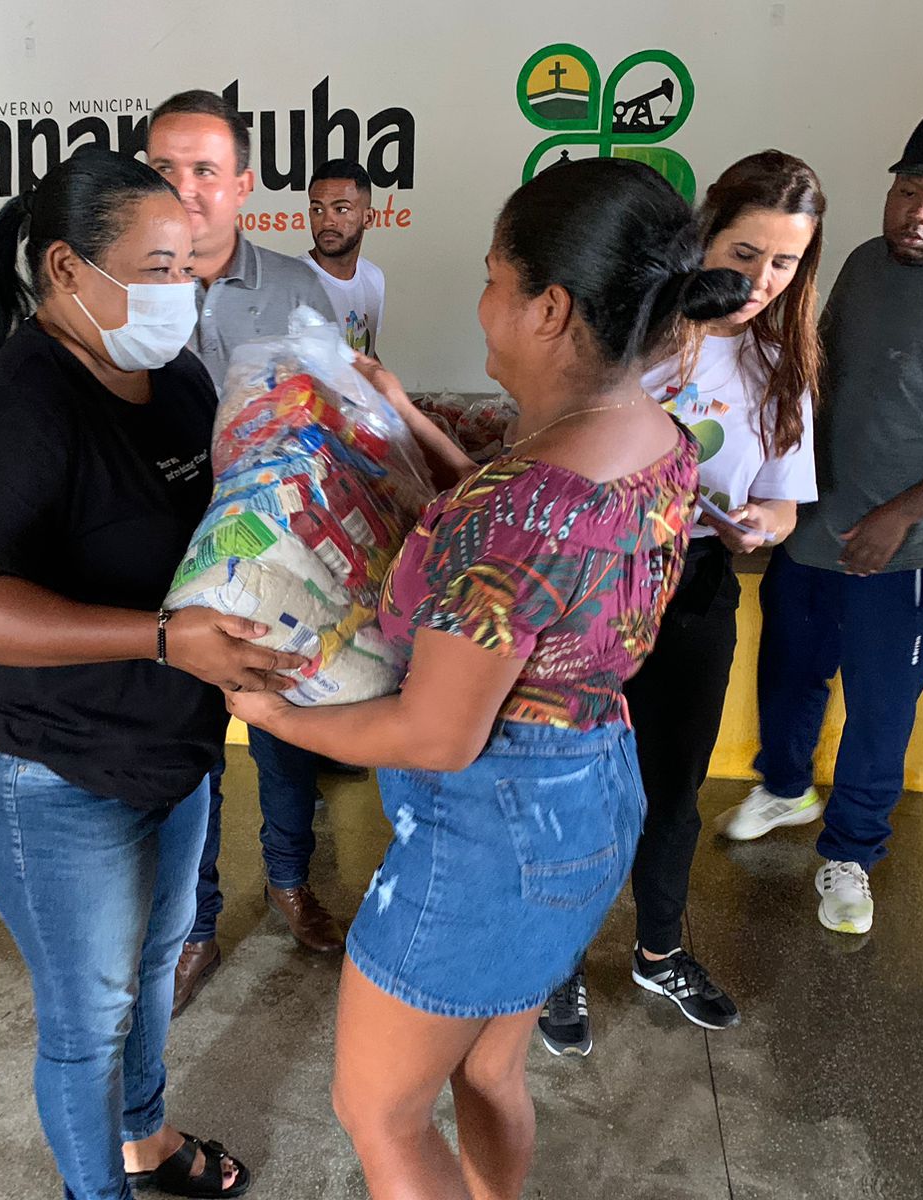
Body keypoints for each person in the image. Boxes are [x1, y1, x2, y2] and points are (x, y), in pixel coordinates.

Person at [226, 158, 751, 1200]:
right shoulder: (650, 436)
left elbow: (435, 734)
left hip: (488, 835)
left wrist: (272, 713)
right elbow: (532, 543)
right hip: (591, 793)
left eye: (492, 280)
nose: (483, 303)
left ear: (549, 308)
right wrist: (403, 419)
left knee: (378, 1111)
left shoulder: (517, 504)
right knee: (486, 1068)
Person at [0, 149, 308, 1200]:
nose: (182, 294)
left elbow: (215, 526)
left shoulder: (175, 377)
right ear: (66, 269)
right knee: (88, 1017)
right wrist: (160, 639)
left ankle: (143, 1137)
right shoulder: (12, 407)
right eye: (157, 269)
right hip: (51, 764)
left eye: (190, 269)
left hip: (172, 744)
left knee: (154, 966)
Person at [719, 109, 923, 936]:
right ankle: (785, 789)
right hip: (815, 522)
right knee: (788, 672)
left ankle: (852, 852)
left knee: (881, 703)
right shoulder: (865, 262)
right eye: (908, 192)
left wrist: (899, 515)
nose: (918, 215)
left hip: (908, 550)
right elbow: (818, 373)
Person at [536, 150, 827, 1052]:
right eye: (743, 254)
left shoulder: (783, 361)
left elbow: (784, 499)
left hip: (697, 587)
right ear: (703, 236)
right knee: (575, 780)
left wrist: (763, 526)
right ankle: (555, 966)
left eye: (783, 264)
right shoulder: (638, 331)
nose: (760, 281)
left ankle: (659, 950)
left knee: (675, 786)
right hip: (595, 584)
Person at [146, 89, 353, 1013]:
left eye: (204, 169)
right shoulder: (125, 284)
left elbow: (331, 418)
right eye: (163, 169)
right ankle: (194, 927)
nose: (184, 189)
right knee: (184, 752)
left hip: (274, 564)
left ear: (242, 184)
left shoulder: (297, 290)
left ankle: (290, 882)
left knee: (282, 739)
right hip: (161, 561)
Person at [305, 158, 387, 356]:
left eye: (341, 209)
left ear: (368, 218)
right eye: (318, 210)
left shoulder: (373, 277)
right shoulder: (293, 283)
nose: (327, 221)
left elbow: (366, 354)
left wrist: (381, 375)